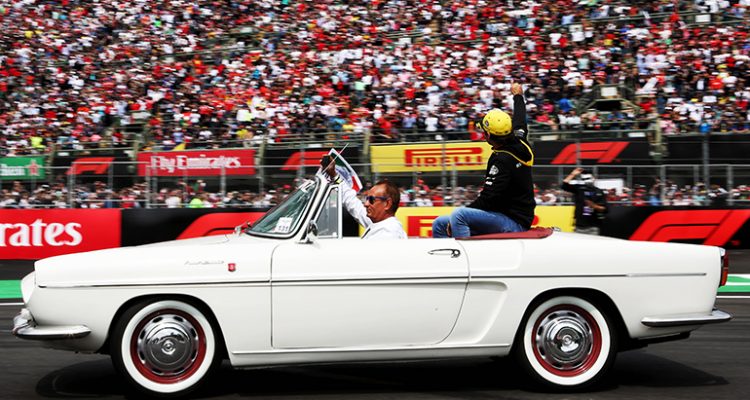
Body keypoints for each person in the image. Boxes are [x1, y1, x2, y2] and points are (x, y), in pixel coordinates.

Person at [432, 82, 535, 238]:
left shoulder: (501, 160)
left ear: (488, 136)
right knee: (439, 223)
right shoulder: (520, 141)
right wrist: (518, 96)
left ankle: (468, 253)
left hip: (514, 222)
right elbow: (520, 118)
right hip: (504, 215)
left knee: (459, 216)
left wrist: (464, 214)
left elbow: (487, 199)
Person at [324, 160, 406, 239]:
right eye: (366, 199)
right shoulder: (379, 223)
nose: (366, 204)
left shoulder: (388, 233)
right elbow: (351, 201)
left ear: (387, 204)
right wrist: (334, 175)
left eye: (371, 200)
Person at [562, 168, 608, 235]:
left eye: (588, 178)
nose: (587, 180)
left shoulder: (599, 192)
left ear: (593, 178)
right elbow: (564, 185)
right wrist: (572, 174)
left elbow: (605, 209)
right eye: (584, 179)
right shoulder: (579, 189)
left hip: (593, 226)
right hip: (579, 226)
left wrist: (594, 206)